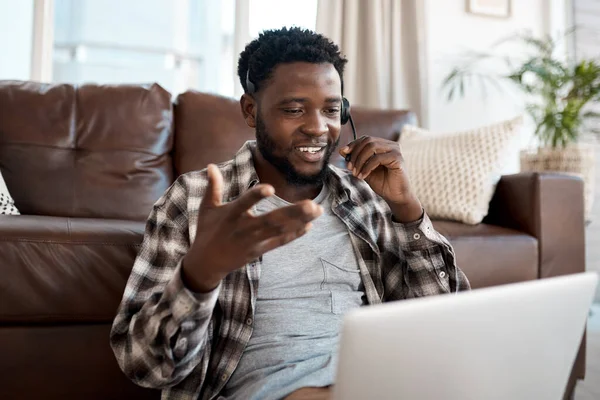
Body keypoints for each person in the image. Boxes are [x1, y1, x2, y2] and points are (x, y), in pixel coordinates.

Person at [110, 27, 470, 400]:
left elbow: (441, 324)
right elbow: (144, 365)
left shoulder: (364, 198)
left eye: (331, 109)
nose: (318, 127)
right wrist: (199, 275)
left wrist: (407, 208)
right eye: (294, 110)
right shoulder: (194, 200)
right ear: (251, 110)